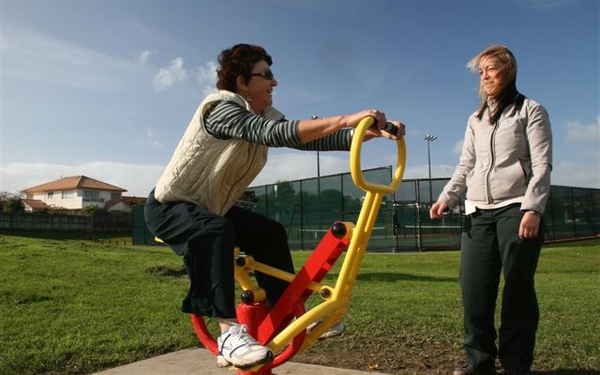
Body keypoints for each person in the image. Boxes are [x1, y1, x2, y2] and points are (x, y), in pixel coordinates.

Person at [144, 43, 405, 369]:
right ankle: (228, 334)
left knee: (269, 233)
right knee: (214, 230)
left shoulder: (265, 115)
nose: (274, 82)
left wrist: (368, 132)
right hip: (170, 205)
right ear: (241, 82)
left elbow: (312, 138)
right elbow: (272, 133)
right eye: (266, 75)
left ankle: (288, 313)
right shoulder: (220, 107)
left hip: (210, 207)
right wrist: (343, 119)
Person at [429, 45, 552, 375]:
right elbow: (466, 164)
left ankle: (515, 364)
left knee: (517, 289)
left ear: (508, 71)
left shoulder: (531, 110)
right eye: (480, 71)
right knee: (474, 290)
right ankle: (478, 360)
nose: (484, 76)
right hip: (477, 212)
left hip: (517, 209)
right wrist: (447, 197)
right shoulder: (476, 119)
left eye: (491, 69)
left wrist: (533, 209)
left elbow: (541, 165)